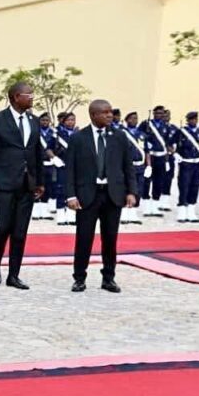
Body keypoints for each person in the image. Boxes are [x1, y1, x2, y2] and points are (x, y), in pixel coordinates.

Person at [66, 99, 138, 293]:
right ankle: (79, 278)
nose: (109, 115)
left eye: (110, 112)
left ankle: (109, 278)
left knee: (110, 238)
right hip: (87, 196)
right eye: (105, 112)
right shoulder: (78, 138)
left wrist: (131, 192)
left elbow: (128, 166)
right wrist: (70, 195)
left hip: (113, 195)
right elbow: (70, 169)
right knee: (84, 238)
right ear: (93, 115)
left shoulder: (119, 136)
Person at [0, 82, 45, 289]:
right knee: (3, 227)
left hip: (27, 184)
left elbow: (36, 153)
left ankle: (14, 275)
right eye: (29, 95)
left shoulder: (34, 121)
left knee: (20, 231)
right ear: (16, 97)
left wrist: (40, 181)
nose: (32, 98)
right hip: (4, 182)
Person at [139, 106, 171, 218]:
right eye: (157, 113)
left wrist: (167, 160)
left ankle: (155, 205)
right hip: (150, 156)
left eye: (161, 113)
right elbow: (140, 137)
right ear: (153, 113)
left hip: (161, 157)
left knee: (159, 182)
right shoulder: (146, 124)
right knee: (147, 181)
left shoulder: (165, 126)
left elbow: (166, 144)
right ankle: (146, 206)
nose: (159, 115)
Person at [174, 111, 199, 223]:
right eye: (192, 119)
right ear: (188, 120)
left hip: (197, 163)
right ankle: (182, 211)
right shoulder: (181, 132)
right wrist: (175, 154)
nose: (194, 121)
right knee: (184, 186)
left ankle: (191, 211)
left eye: (195, 119)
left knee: (195, 186)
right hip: (186, 163)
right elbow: (170, 144)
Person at [120, 111, 149, 225]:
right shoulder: (121, 134)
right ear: (127, 120)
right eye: (131, 118)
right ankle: (124, 212)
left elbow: (146, 151)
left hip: (140, 166)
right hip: (127, 166)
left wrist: (149, 165)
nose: (134, 120)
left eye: (136, 118)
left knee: (139, 189)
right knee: (126, 188)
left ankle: (133, 213)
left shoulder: (141, 134)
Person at [35, 113, 59, 221]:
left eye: (46, 120)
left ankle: (44, 211)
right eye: (43, 120)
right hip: (37, 163)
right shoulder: (35, 132)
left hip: (49, 164)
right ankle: (35, 211)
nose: (45, 122)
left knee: (48, 187)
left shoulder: (53, 133)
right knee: (36, 186)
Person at [54, 112, 77, 225]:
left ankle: (71, 215)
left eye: (73, 120)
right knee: (61, 190)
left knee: (73, 191)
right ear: (64, 122)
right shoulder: (57, 134)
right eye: (68, 120)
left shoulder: (79, 133)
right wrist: (54, 158)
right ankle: (60, 216)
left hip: (75, 166)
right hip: (62, 165)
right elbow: (48, 148)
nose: (71, 122)